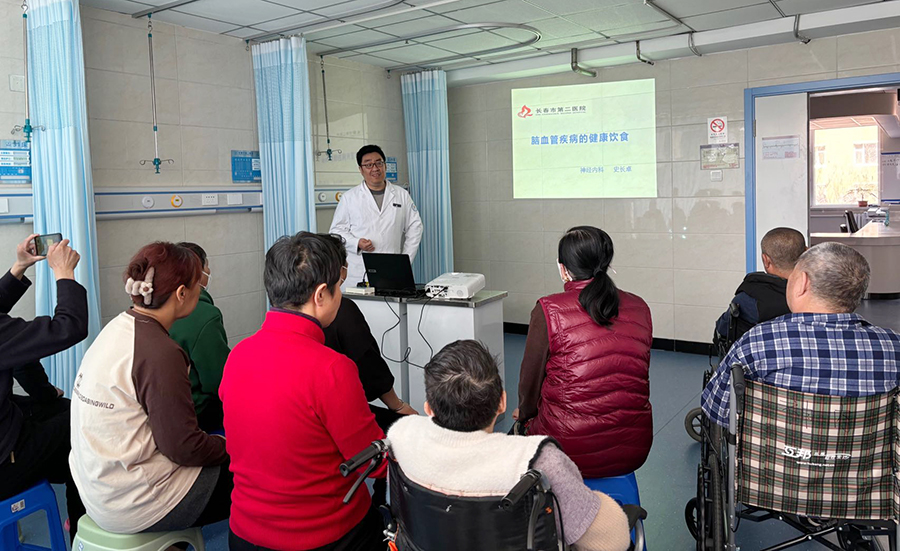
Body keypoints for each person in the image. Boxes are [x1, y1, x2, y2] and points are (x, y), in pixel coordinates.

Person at [221, 232, 386, 551]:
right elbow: (372, 462)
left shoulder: (237, 355)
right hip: (326, 536)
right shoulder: (332, 368)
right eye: (339, 287)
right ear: (321, 294)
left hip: (244, 533)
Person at [389, 340, 631, 551]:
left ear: (429, 409)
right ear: (502, 403)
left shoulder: (401, 438)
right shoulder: (538, 461)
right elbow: (613, 542)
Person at [69, 242, 231, 534]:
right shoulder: (160, 352)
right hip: (134, 503)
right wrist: (230, 445)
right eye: (198, 284)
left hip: (95, 490)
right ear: (181, 293)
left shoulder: (117, 328)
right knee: (257, 472)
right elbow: (184, 448)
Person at [701, 241, 900, 427]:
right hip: (867, 454)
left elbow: (717, 409)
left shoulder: (759, 341)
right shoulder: (893, 345)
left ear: (802, 282)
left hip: (775, 452)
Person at [515, 226, 653, 478]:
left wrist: (524, 415)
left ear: (563, 268)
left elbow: (530, 379)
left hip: (566, 450)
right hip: (633, 447)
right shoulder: (639, 306)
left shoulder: (548, 309)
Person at [0, 234, 87, 542]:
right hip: (4, 464)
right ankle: (83, 534)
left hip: (8, 426)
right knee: (83, 428)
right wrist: (64, 273)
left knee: (64, 409)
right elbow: (69, 327)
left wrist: (19, 267)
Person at [329, 144, 423, 288]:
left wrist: (405, 259)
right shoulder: (349, 197)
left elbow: (415, 227)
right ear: (361, 169)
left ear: (385, 166)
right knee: (359, 302)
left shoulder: (401, 195)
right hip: (359, 269)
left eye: (379, 163)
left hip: (392, 267)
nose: (375, 168)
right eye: (368, 164)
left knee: (391, 302)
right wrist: (356, 242)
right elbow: (336, 232)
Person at [169, 242, 230, 432]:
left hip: (165, 412)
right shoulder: (204, 315)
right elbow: (218, 381)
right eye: (207, 266)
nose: (209, 271)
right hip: (198, 416)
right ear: (198, 272)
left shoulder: (159, 308)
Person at [714, 227, 806, 343]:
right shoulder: (820, 290)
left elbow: (723, 333)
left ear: (766, 260)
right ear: (806, 252)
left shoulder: (749, 298)